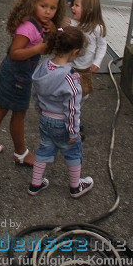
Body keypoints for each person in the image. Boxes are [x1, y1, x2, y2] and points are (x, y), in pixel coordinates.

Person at [0, 0, 65, 167]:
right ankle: (21, 153)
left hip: (12, 74)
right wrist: (39, 48)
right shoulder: (28, 28)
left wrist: (52, 30)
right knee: (18, 114)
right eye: (43, 6)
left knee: (1, 107)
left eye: (52, 8)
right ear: (33, 4)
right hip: (17, 76)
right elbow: (15, 52)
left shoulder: (39, 24)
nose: (48, 12)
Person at [28, 25, 94, 198]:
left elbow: (35, 92)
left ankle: (35, 183)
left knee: (44, 149)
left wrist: (39, 109)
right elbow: (73, 108)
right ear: (76, 52)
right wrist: (74, 131)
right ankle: (75, 186)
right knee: (73, 152)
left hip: (45, 118)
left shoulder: (43, 67)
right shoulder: (70, 77)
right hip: (63, 123)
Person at [69, 0, 107, 101]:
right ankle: (70, 110)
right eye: (73, 4)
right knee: (68, 89)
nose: (72, 7)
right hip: (69, 64)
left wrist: (97, 62)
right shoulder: (71, 23)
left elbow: (102, 46)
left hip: (85, 68)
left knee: (83, 92)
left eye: (76, 5)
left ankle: (77, 109)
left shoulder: (98, 28)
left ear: (89, 10)